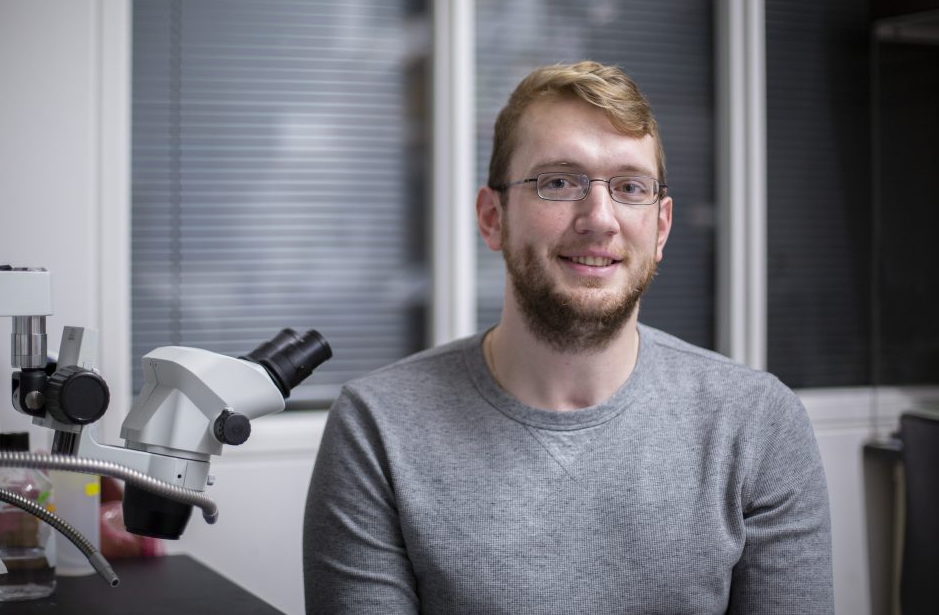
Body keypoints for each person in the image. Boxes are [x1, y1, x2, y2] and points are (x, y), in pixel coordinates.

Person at [302, 61, 833, 614]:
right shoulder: (378, 429)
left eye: (630, 187)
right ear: (492, 218)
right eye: (558, 181)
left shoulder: (757, 425)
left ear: (661, 227)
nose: (600, 218)